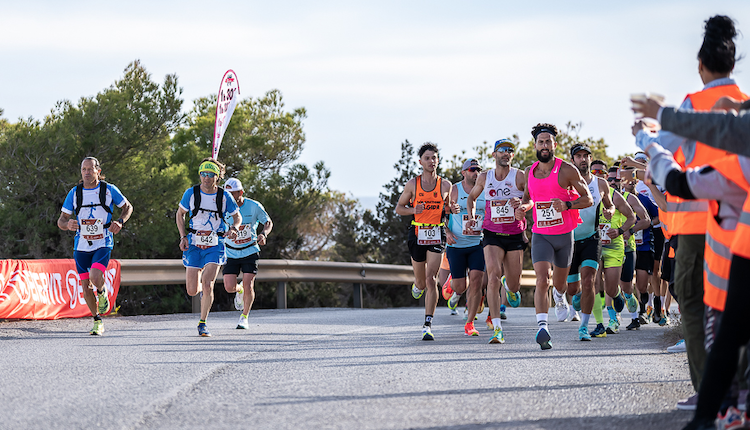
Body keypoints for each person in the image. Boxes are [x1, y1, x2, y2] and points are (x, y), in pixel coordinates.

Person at [631, 15, 748, 413]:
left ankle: (708, 391)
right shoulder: (744, 104)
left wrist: (645, 135)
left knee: (694, 303)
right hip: (741, 221)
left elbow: (658, 160)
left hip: (697, 219)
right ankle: (742, 392)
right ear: (734, 64)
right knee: (738, 309)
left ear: (701, 66)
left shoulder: (691, 105)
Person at [515, 124, 593, 349]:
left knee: (560, 284)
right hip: (541, 234)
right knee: (542, 279)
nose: (545, 146)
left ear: (555, 145)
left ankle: (560, 297)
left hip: (564, 236)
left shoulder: (567, 170)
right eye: (541, 142)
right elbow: (529, 198)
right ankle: (542, 327)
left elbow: (587, 199)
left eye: (548, 142)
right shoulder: (530, 172)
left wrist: (567, 204)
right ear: (535, 145)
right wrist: (524, 207)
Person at [57, 157, 133, 335]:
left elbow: (128, 207)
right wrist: (67, 225)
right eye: (84, 169)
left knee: (95, 275)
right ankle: (97, 320)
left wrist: (120, 222)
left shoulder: (108, 190)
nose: (87, 173)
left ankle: (102, 290)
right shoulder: (75, 193)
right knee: (85, 286)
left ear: (98, 171)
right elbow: (61, 220)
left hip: (103, 241)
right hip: (81, 245)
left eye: (90, 169)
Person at [467, 139, 528, 343]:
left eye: (509, 150)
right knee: (492, 277)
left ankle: (508, 287)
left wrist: (522, 205)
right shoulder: (485, 177)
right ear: (494, 154)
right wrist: (472, 216)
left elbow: (532, 198)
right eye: (502, 150)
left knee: (514, 284)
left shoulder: (519, 176)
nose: (506, 153)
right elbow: (471, 198)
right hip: (492, 234)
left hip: (514, 235)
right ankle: (497, 329)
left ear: (512, 155)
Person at [396, 142, 458, 341]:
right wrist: (414, 210)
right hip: (417, 232)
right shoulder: (413, 184)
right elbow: (399, 208)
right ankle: (417, 284)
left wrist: (452, 210)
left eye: (435, 158)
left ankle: (427, 324)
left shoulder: (446, 185)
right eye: (428, 158)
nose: (432, 161)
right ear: (420, 162)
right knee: (422, 283)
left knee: (432, 279)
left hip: (436, 234)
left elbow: (446, 209)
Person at [176, 158, 241, 337]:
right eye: (203, 174)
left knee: (207, 283)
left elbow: (237, 217)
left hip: (215, 243)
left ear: (217, 177)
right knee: (192, 290)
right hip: (194, 242)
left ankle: (202, 322)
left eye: (211, 175)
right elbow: (180, 214)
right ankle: (203, 299)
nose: (206, 178)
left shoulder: (224, 196)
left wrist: (234, 228)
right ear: (200, 175)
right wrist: (182, 236)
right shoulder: (191, 193)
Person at [565, 144, 614, 341]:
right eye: (579, 156)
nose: (583, 159)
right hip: (569, 240)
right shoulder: (565, 183)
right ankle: (576, 298)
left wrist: (608, 212)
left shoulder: (601, 184)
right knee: (572, 289)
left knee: (589, 281)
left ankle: (584, 327)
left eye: (586, 156)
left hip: (591, 238)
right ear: (572, 161)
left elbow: (609, 206)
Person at [222, 178, 273, 330]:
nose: (230, 197)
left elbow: (268, 222)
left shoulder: (254, 206)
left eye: (233, 193)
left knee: (248, 284)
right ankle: (239, 290)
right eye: (227, 194)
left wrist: (263, 234)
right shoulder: (222, 208)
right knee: (229, 287)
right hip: (230, 252)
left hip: (250, 250)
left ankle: (244, 317)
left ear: (240, 192)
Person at [444, 159, 487, 338]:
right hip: (456, 244)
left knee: (476, 282)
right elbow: (439, 213)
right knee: (460, 287)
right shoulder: (455, 189)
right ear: (463, 172)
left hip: (478, 243)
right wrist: (446, 231)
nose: (475, 172)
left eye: (478, 169)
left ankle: (470, 322)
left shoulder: (484, 189)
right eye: (471, 169)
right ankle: (452, 281)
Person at [619, 170, 656, 330]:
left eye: (633, 180)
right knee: (625, 284)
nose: (631, 183)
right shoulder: (616, 200)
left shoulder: (643, 199)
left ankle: (644, 311)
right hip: (625, 246)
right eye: (627, 181)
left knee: (641, 285)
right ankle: (637, 313)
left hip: (644, 245)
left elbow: (657, 216)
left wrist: (635, 228)